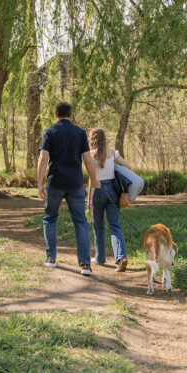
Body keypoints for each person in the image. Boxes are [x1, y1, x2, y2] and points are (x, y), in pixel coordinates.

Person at [37, 101, 101, 276]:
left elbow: (43, 158)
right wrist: (94, 180)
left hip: (55, 182)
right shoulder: (79, 133)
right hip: (75, 183)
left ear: (55, 115)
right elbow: (88, 160)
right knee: (80, 222)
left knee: (50, 218)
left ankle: (51, 258)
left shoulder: (49, 132)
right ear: (71, 115)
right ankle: (85, 265)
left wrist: (40, 183)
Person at [87, 128, 129, 272]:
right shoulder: (112, 153)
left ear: (92, 139)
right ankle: (121, 257)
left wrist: (89, 200)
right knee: (115, 225)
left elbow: (92, 180)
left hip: (98, 191)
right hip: (113, 190)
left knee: (98, 225)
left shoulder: (91, 156)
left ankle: (100, 258)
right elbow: (128, 166)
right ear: (105, 139)